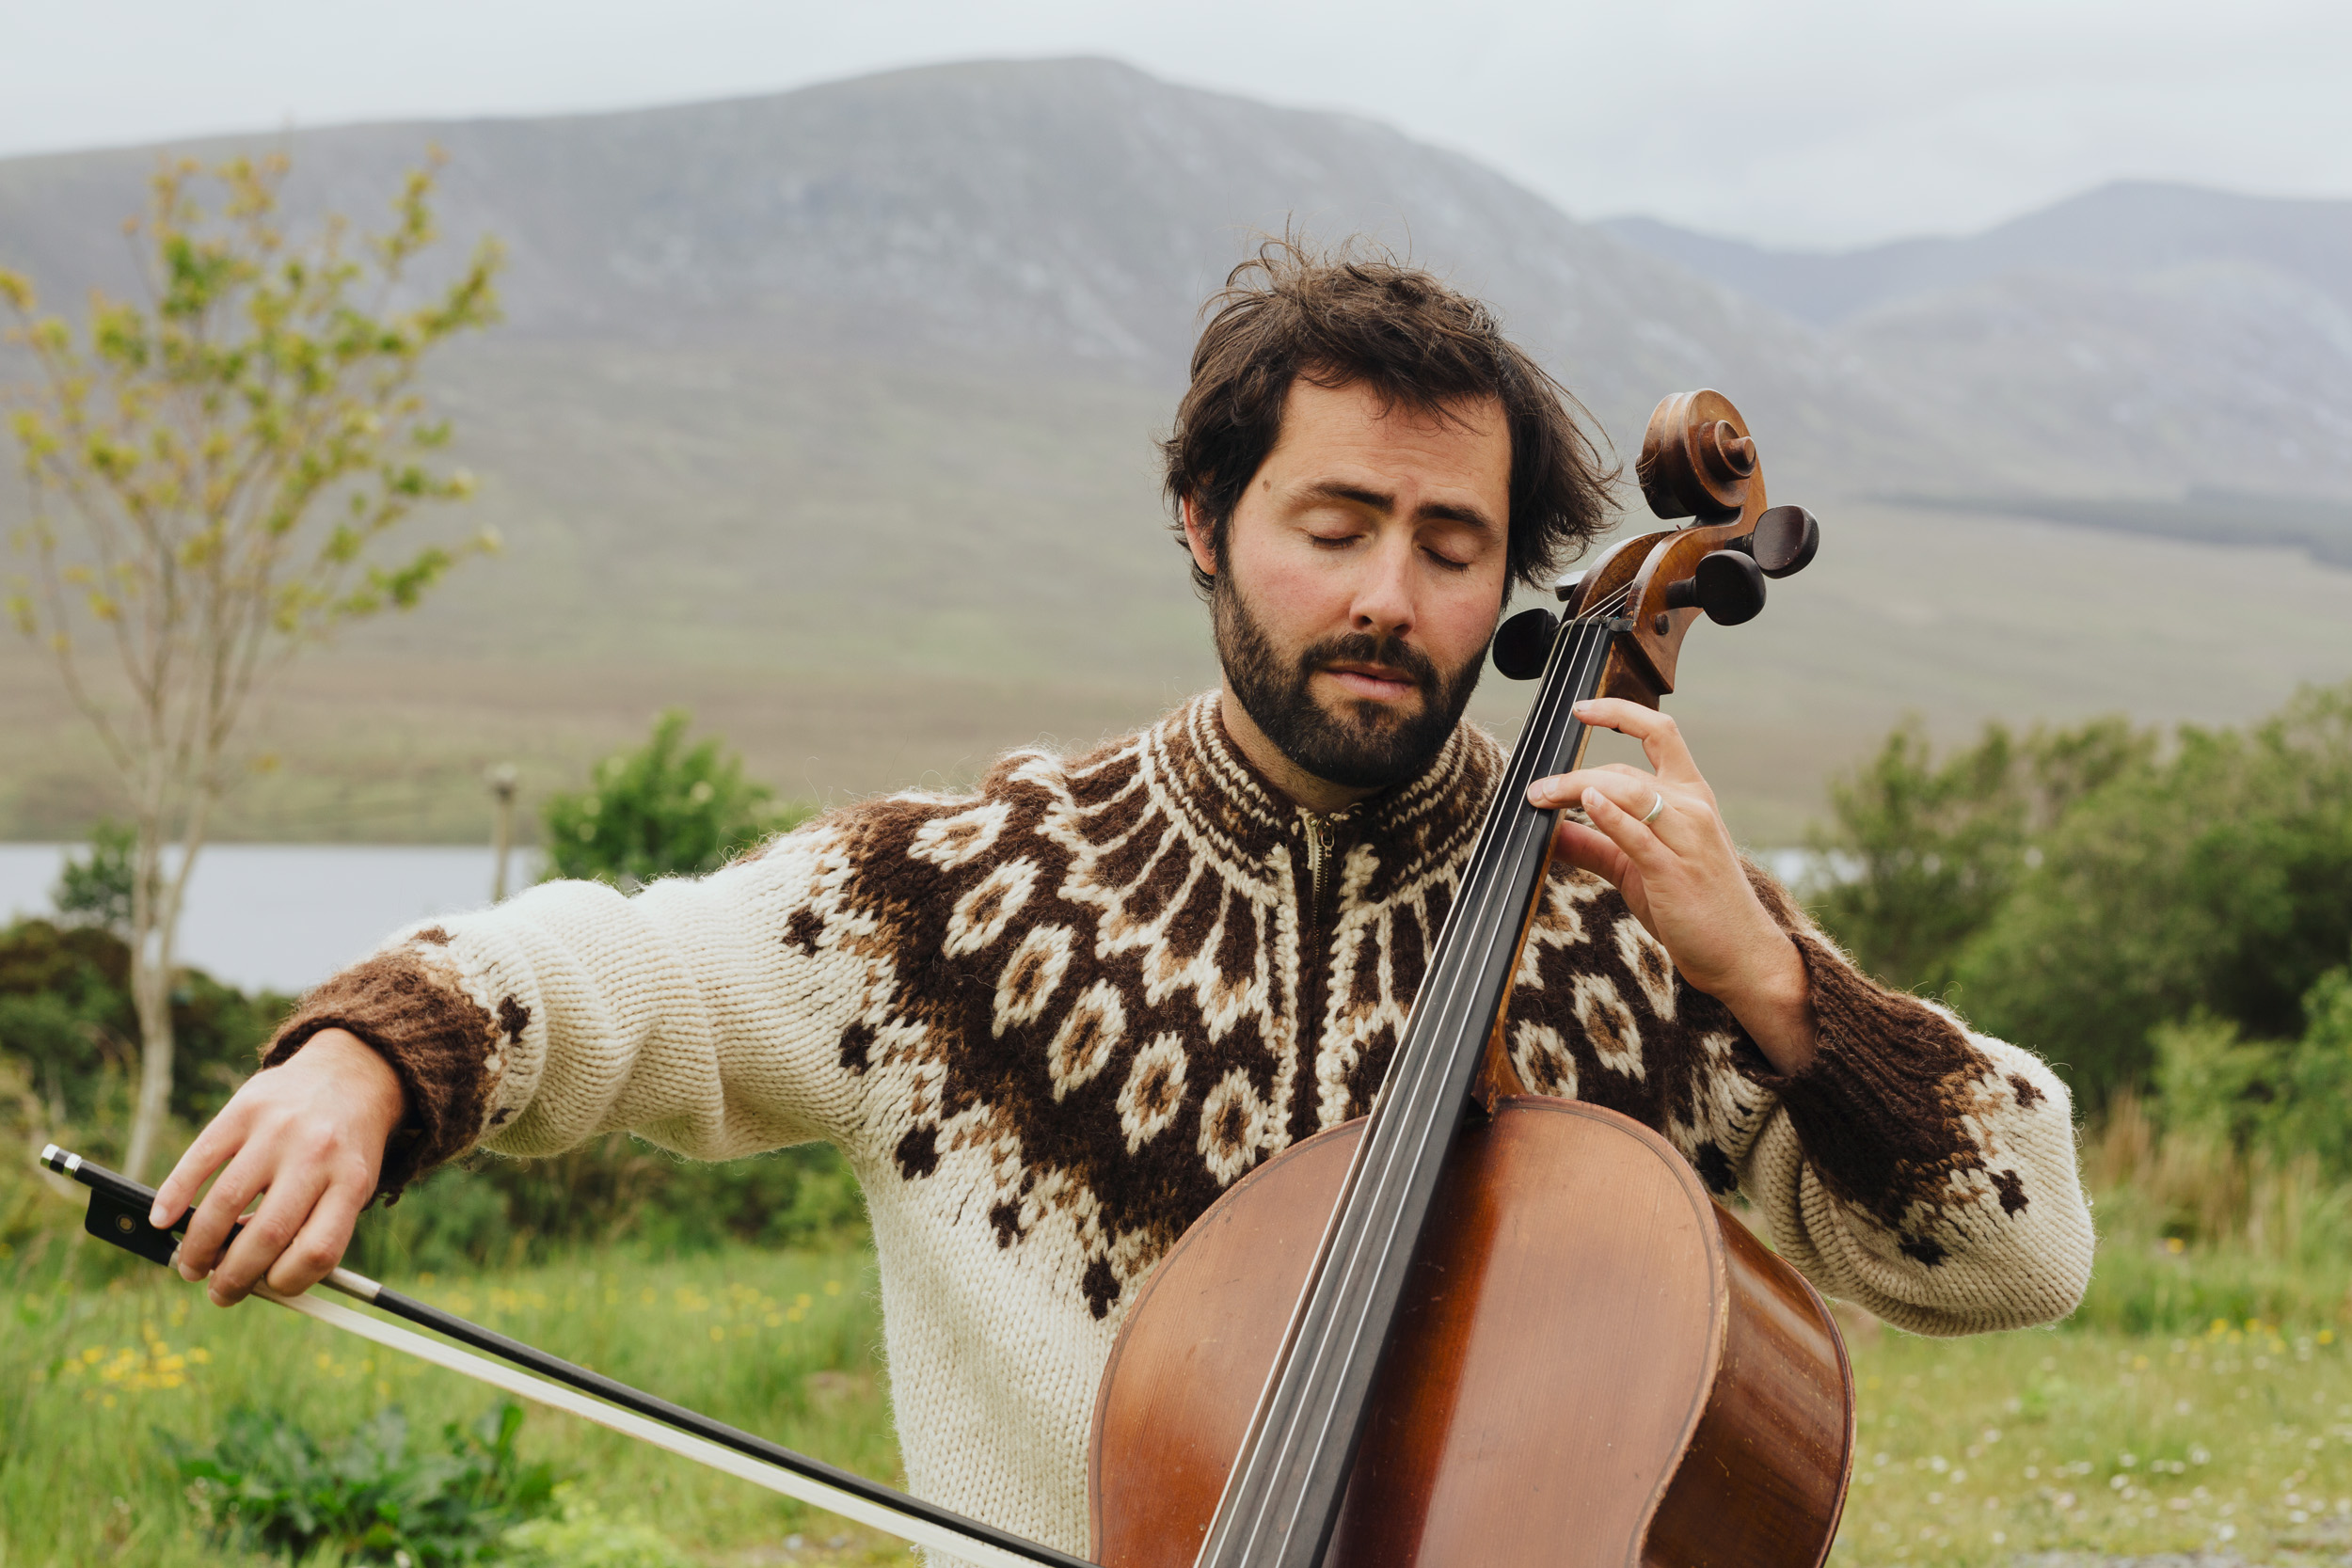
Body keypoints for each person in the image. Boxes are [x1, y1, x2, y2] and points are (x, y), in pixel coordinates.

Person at [154, 243, 2094, 1554]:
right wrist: (373, 1059)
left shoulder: (1635, 920)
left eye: (1450, 547)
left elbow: (2020, 1250)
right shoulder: (966, 897)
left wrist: (1777, 985)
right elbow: (631, 973)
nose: (1386, 597)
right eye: (1333, 524)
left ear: (1512, 583)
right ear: (1203, 524)